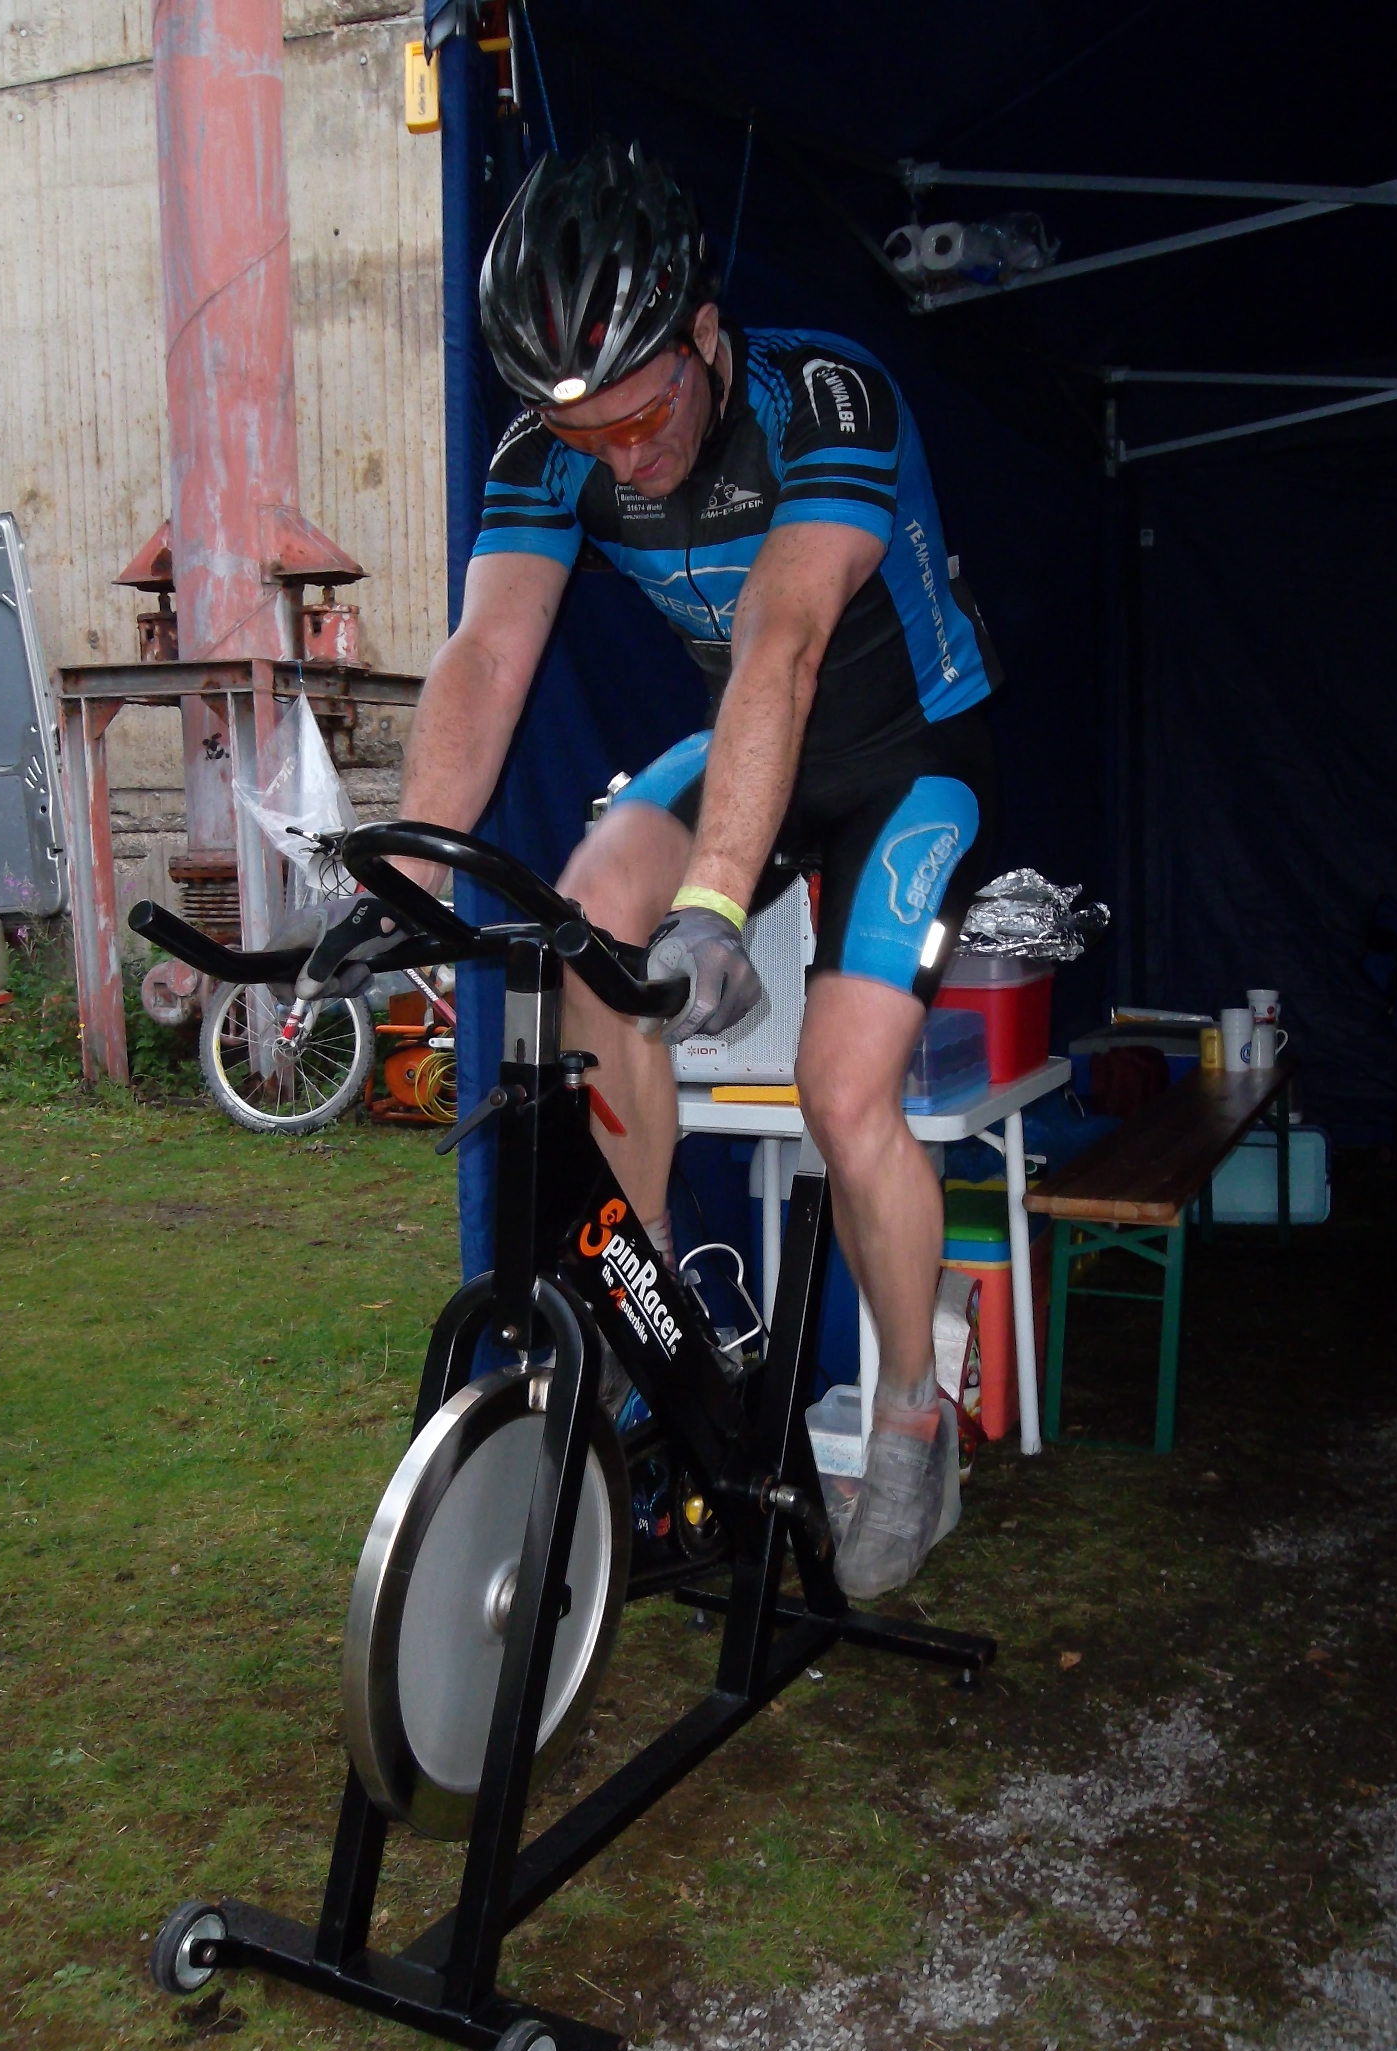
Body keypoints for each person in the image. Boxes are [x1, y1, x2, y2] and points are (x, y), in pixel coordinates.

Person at [307, 141, 1002, 1599]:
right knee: (588, 913)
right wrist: (395, 888)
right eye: (585, 433)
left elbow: (784, 645)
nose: (621, 459)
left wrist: (716, 907)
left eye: (641, 415)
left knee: (843, 1092)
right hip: (748, 741)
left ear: (703, 330)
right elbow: (488, 656)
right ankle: (656, 1325)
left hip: (902, 756)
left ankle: (912, 1421)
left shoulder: (825, 400)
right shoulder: (551, 452)